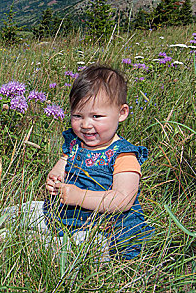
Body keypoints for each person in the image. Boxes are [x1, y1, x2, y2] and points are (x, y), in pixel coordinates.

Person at [44, 65, 153, 260]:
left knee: (83, 247)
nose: (85, 125)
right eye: (77, 116)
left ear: (122, 113)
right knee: (25, 212)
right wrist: (55, 178)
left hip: (106, 227)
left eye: (96, 116)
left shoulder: (123, 154)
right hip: (70, 216)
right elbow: (62, 164)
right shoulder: (75, 144)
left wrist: (79, 196)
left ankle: (55, 250)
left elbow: (123, 200)